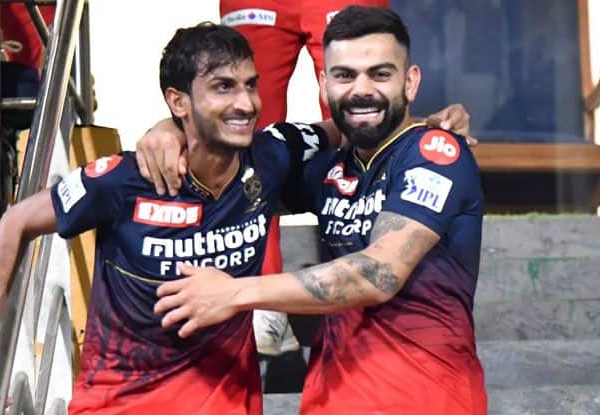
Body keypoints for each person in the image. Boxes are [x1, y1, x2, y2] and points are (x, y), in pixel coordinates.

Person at [0, 22, 346, 414]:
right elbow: (15, 223)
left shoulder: (272, 154)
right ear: (178, 102)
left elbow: (346, 130)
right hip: (122, 403)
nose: (246, 103)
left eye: (250, 85)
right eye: (223, 87)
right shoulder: (124, 180)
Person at [151, 6, 487, 414]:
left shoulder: (435, 154)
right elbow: (237, 168)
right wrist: (174, 127)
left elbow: (377, 274)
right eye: (345, 76)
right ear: (325, 85)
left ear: (410, 82)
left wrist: (236, 293)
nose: (362, 90)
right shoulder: (330, 169)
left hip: (426, 402)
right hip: (328, 402)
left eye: (380, 74)